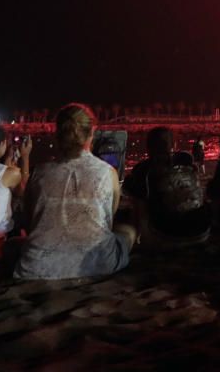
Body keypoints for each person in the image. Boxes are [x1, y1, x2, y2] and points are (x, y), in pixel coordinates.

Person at [15, 104, 136, 279]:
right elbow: (108, 220)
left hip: (38, 266)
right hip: (99, 263)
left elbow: (29, 221)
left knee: (13, 245)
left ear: (57, 136)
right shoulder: (108, 173)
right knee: (128, 231)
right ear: (91, 134)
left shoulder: (39, 172)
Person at [124, 127, 210, 247]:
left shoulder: (144, 169)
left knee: (139, 202)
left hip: (167, 235)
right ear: (173, 144)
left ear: (148, 147)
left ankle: (141, 241)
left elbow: (134, 198)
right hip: (202, 231)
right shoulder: (187, 161)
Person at [0, 128, 30, 237]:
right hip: (1, 234)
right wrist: (25, 157)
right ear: (2, 144)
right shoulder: (9, 174)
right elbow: (22, 191)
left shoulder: (5, 172)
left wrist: (8, 159)